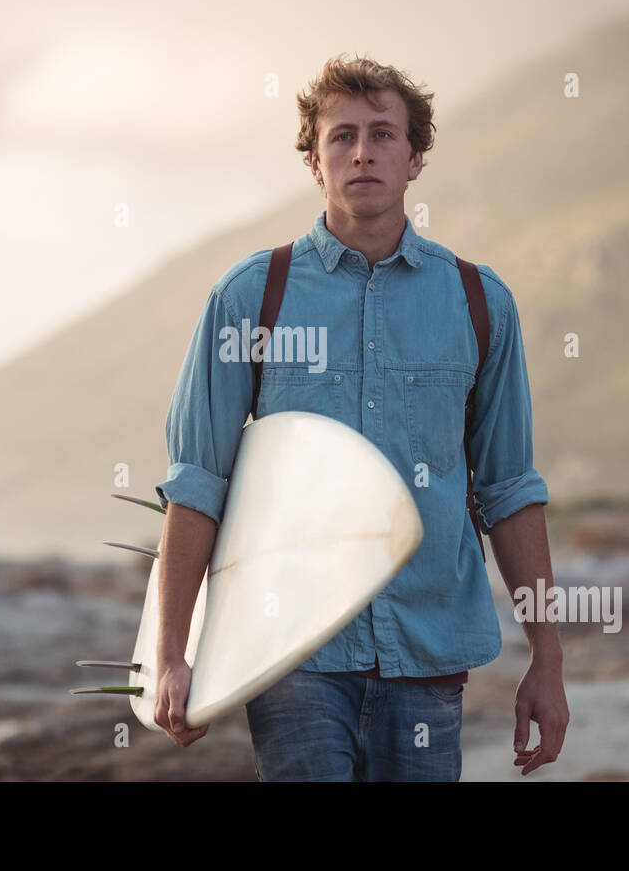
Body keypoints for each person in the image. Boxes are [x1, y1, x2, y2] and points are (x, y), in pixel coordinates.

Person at [152, 53, 568, 780]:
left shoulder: (478, 302)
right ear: (314, 161)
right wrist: (170, 657)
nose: (362, 151)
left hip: (428, 650)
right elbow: (198, 482)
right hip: (293, 651)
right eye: (341, 136)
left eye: (383, 134)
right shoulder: (252, 297)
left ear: (415, 158)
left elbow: (509, 490)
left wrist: (548, 659)